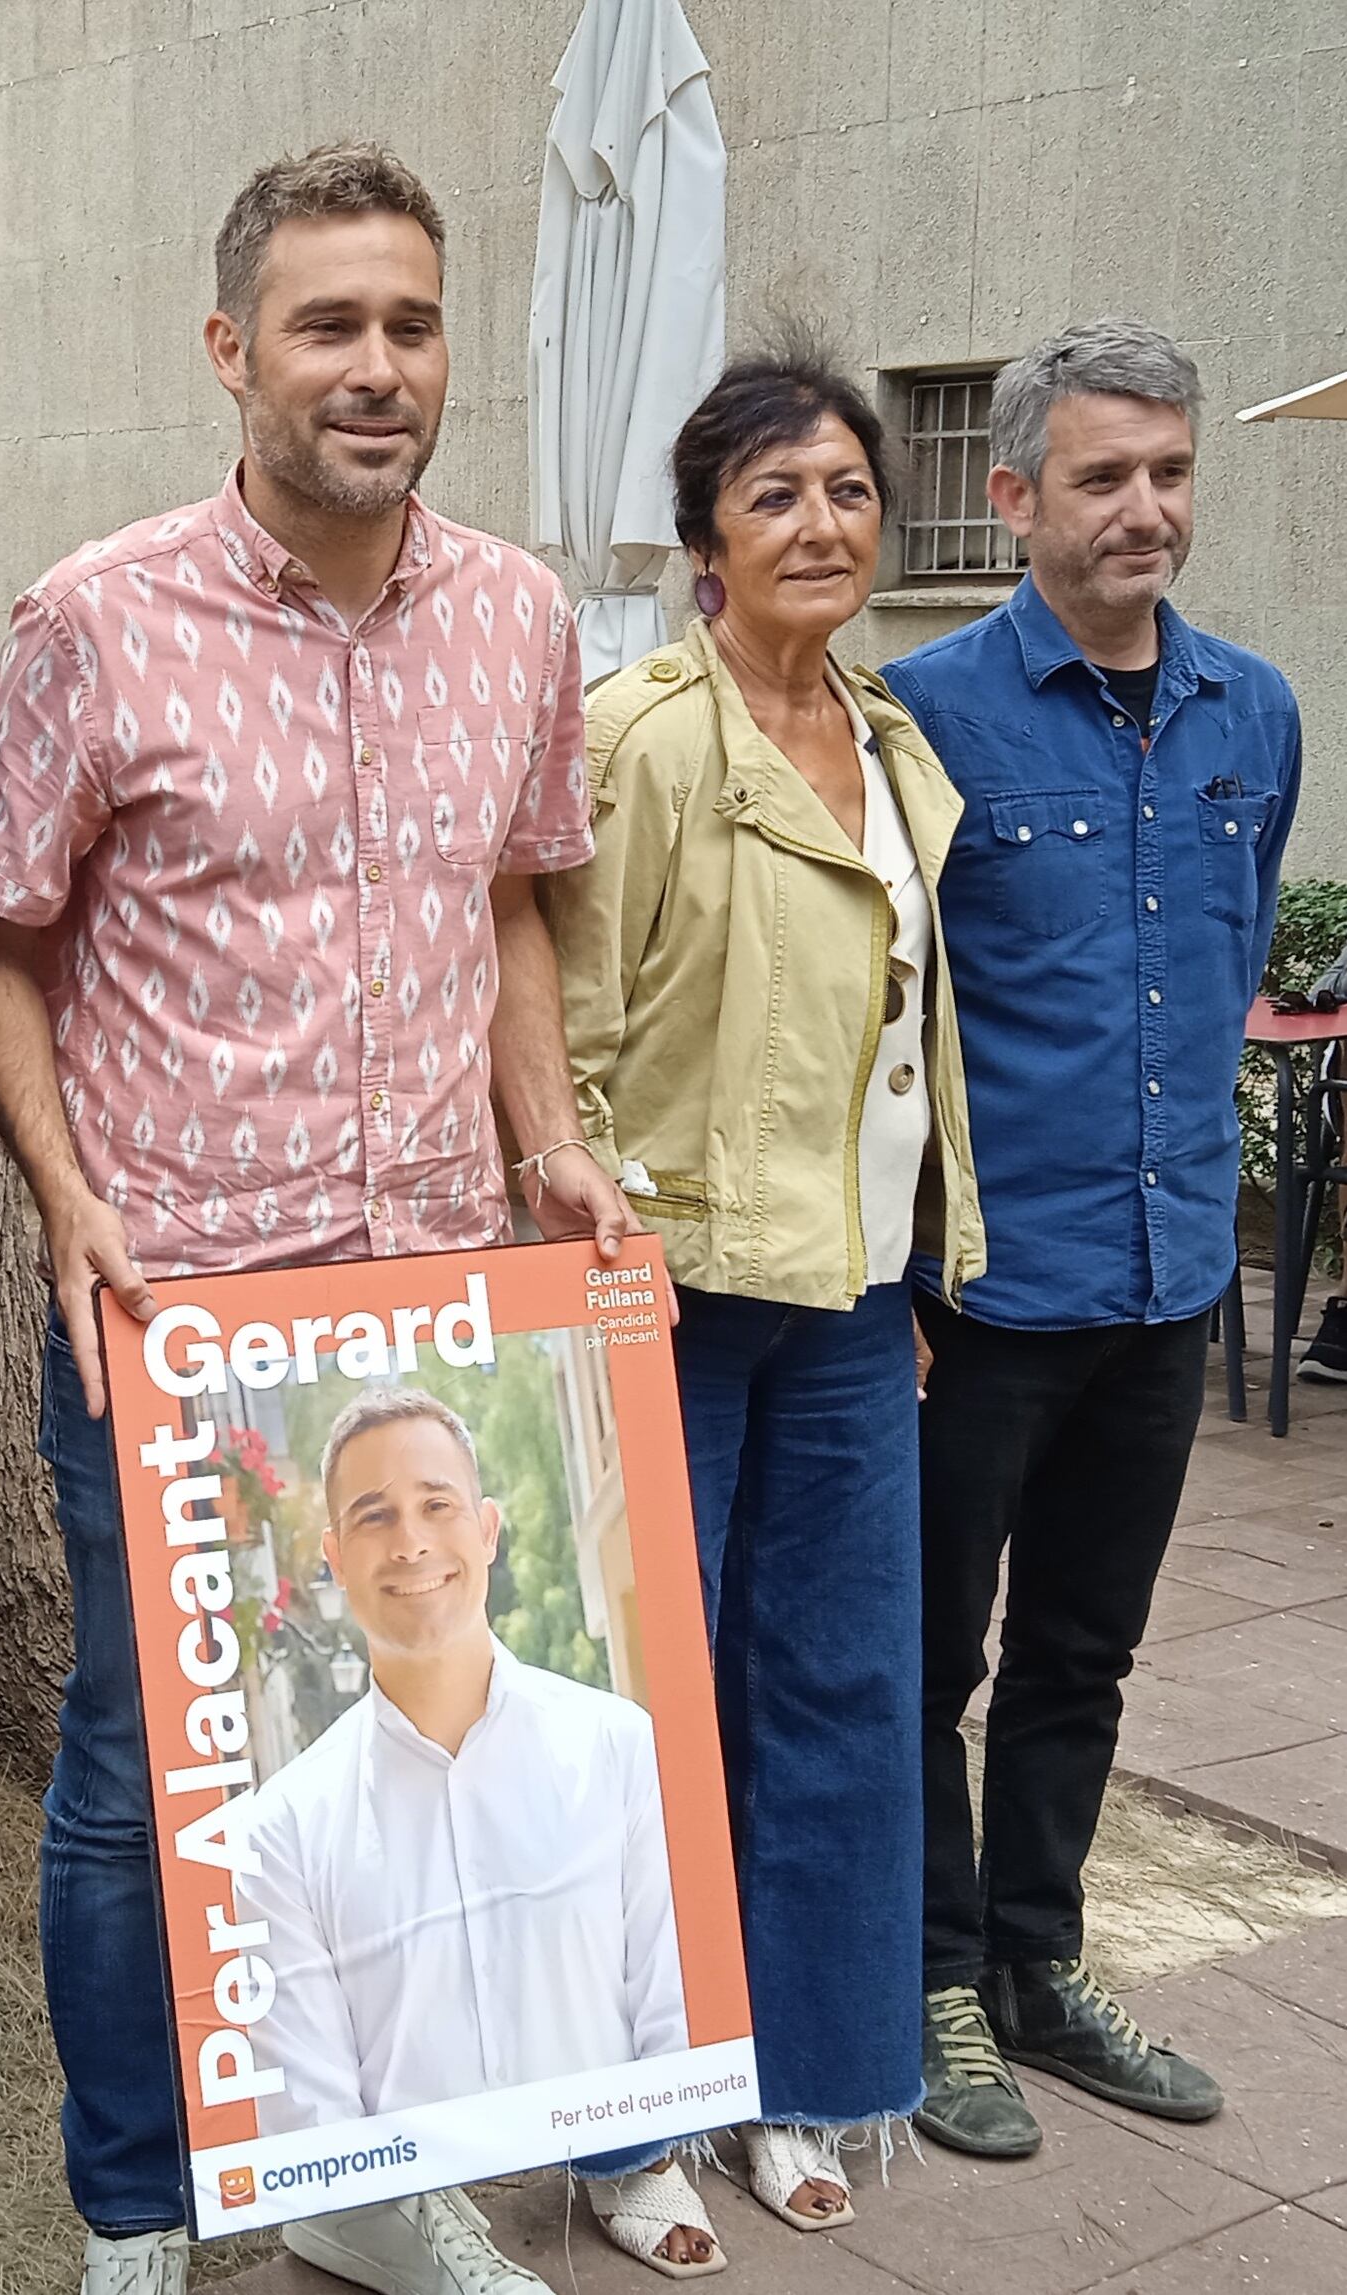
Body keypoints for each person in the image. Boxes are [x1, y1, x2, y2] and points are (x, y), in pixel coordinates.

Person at [0, 142, 637, 2295]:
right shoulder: (95, 617)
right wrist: (65, 1201)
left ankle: (376, 2167)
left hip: (437, 1301)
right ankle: (138, 2199)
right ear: (231, 348)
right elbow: (2, 945)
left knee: (396, 1754)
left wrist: (549, 1141)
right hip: (180, 1306)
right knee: (145, 1769)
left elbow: (517, 905)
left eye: (411, 325)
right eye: (329, 324)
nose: (376, 366)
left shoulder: (521, 616)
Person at [544, 348, 987, 2279]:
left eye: (848, 494)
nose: (822, 526)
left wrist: (908, 1271)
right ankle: (625, 2125)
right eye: (776, 497)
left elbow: (905, 1047)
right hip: (666, 1296)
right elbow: (563, 1033)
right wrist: (587, 1270)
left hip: (843, 1307)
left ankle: (798, 2076)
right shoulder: (639, 734)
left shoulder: (894, 743)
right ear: (704, 539)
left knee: (841, 1699)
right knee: (641, 1717)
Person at [886, 319, 1299, 2159]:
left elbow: (1224, 951)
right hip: (979, 1296)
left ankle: (1045, 1971)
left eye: (1172, 473)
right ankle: (933, 1986)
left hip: (1165, 1281)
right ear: (1010, 496)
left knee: (1083, 1651)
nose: (1146, 509)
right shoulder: (927, 713)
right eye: (1103, 476)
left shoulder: (1254, 714)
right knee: (927, 1660)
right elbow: (876, 1012)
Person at [238, 1390, 687, 2133]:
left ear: (486, 1531)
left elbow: (674, 2021)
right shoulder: (281, 1831)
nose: (409, 1542)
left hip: (631, 2192)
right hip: (418, 2234)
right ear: (335, 1560)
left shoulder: (618, 1748)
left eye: (437, 1504)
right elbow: (312, 2127)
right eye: (373, 1515)